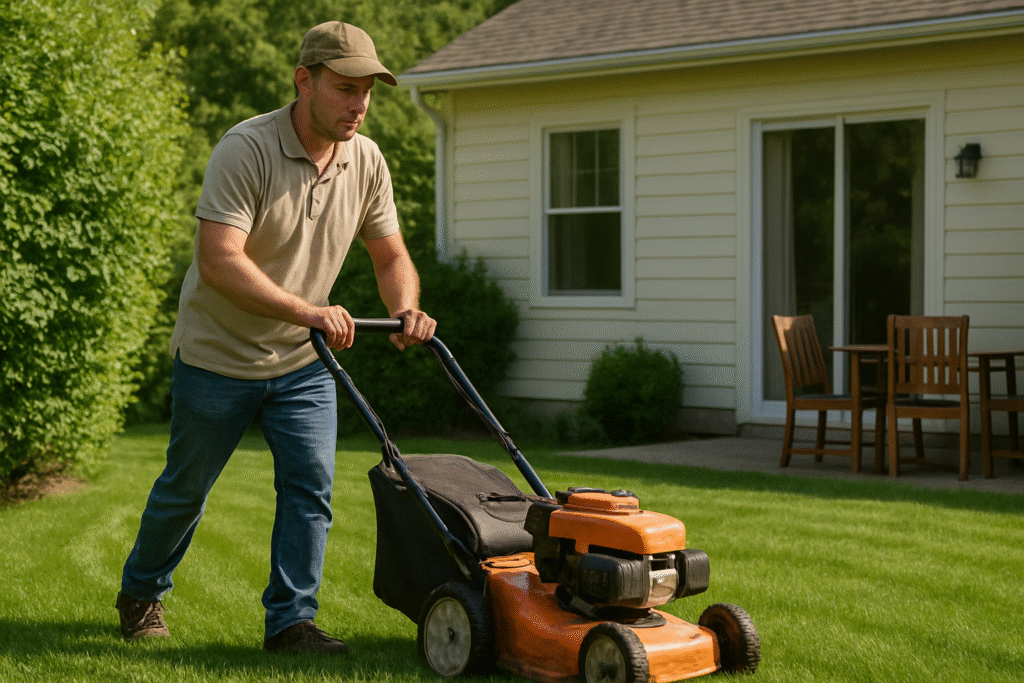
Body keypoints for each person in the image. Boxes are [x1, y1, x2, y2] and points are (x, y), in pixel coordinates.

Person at [115, 21, 436, 654]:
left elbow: (390, 252)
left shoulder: (366, 159)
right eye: (345, 89)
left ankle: (291, 622)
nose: (359, 105)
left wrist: (406, 310)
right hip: (218, 353)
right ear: (304, 80)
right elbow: (219, 261)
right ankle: (141, 590)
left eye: (367, 91)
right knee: (187, 488)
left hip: (301, 360)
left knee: (310, 487)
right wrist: (311, 313)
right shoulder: (247, 149)